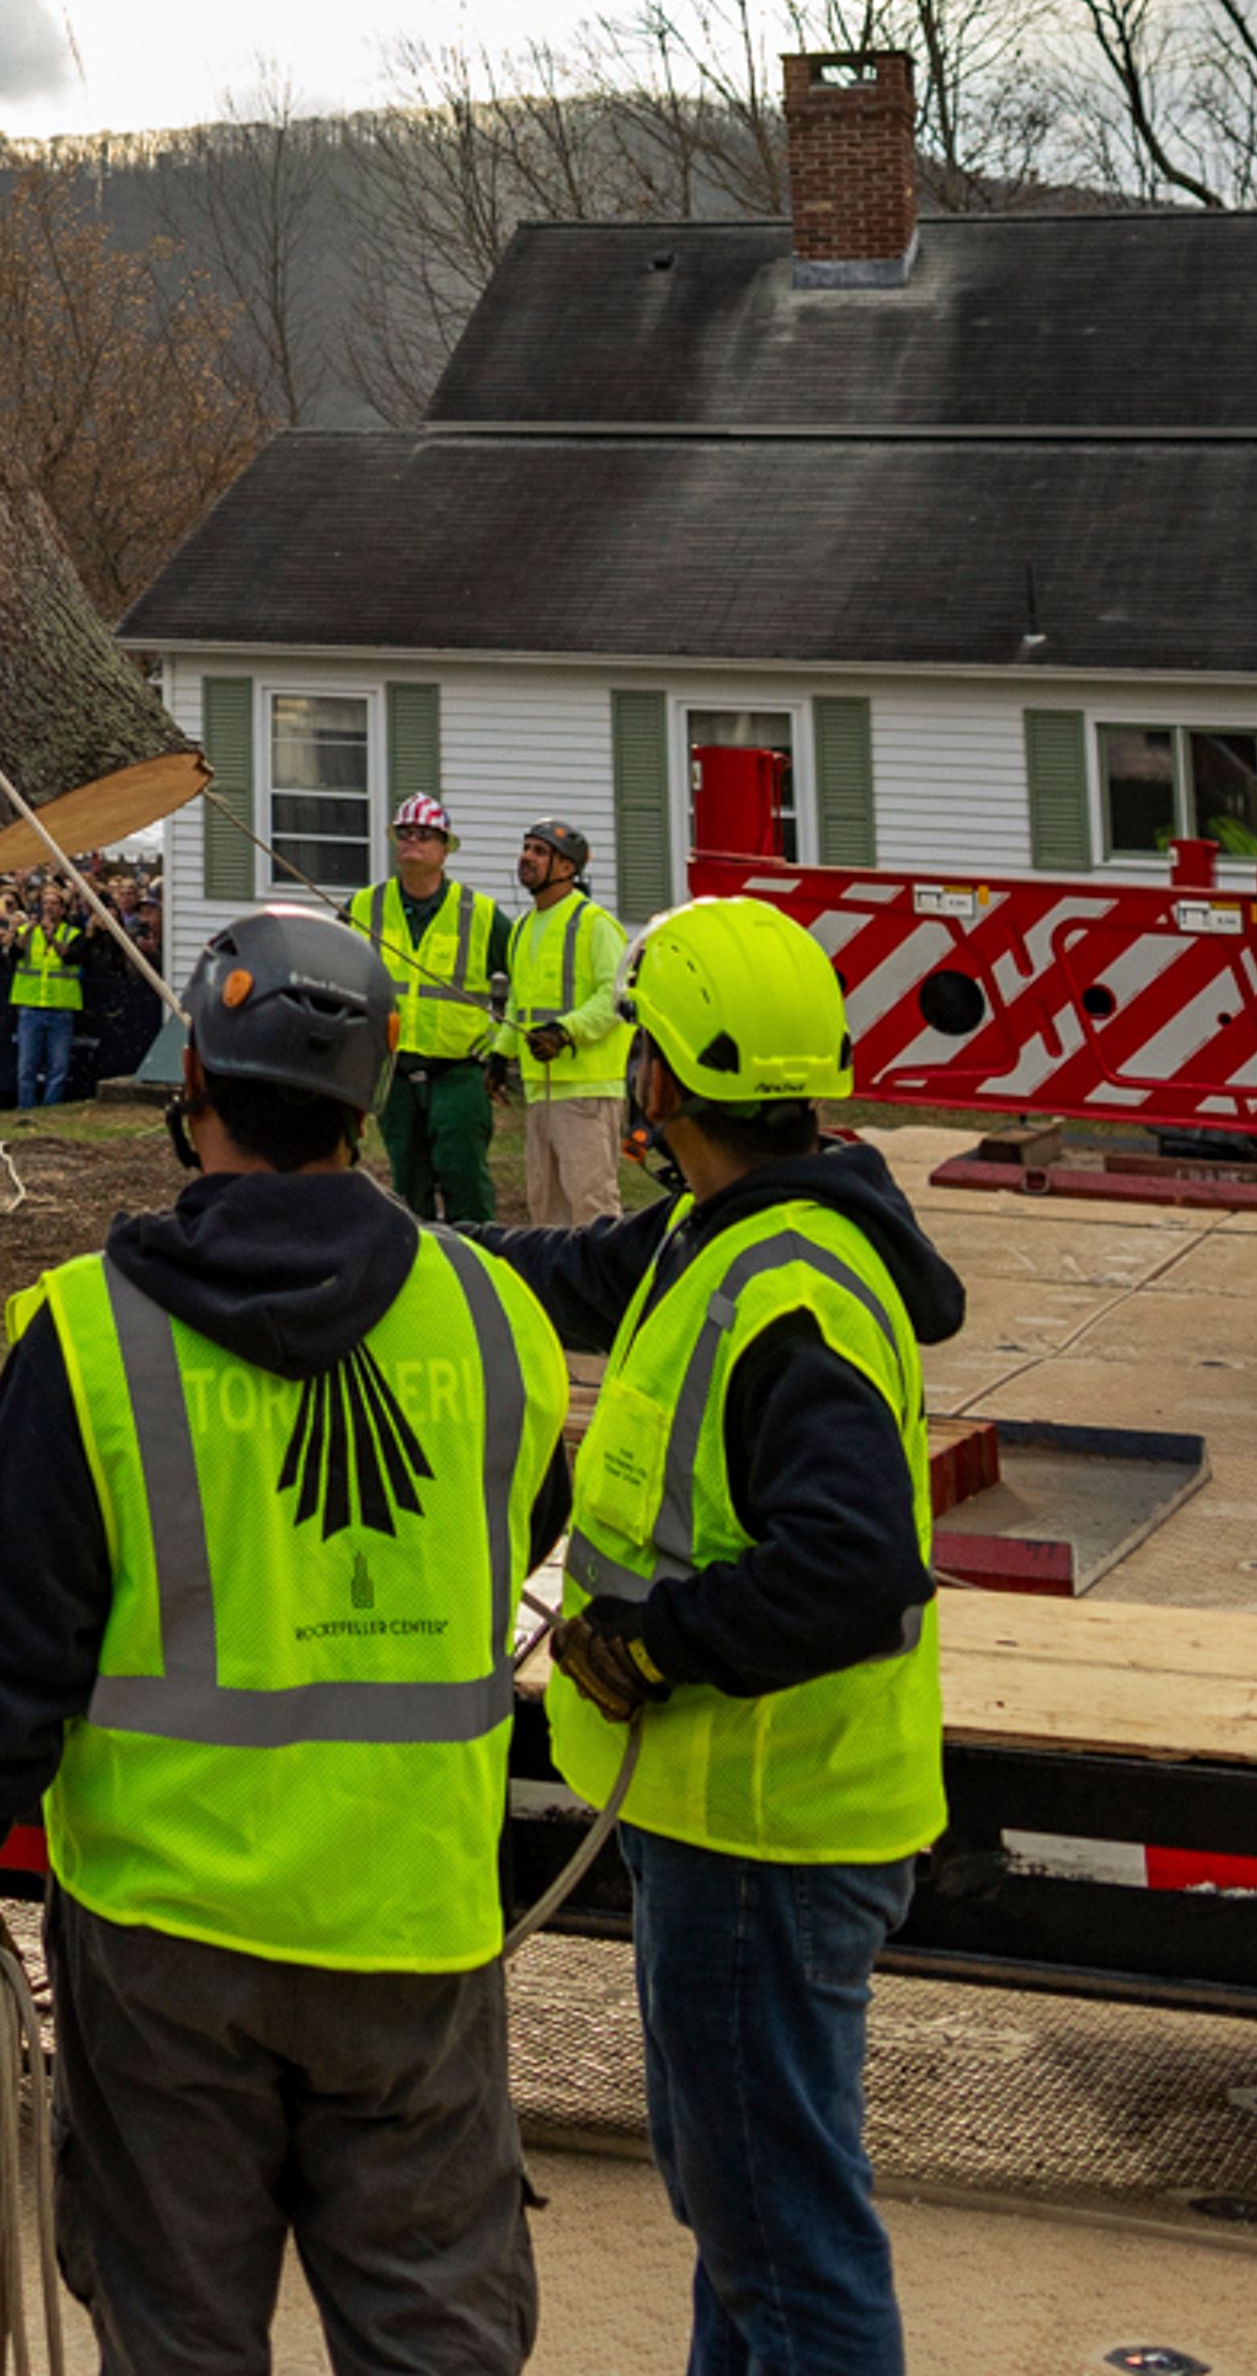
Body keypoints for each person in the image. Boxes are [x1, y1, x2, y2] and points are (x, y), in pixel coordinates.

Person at [0, 902, 566, 2376]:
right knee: (438, 2338)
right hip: (415, 1936)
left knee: (178, 2337)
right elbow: (506, 1553)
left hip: (167, 1953)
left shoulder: (89, 1337)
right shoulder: (493, 1319)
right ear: (377, 1090)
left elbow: (6, 1654)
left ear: (190, 1078)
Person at [490, 896, 963, 2376]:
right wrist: (389, 1241)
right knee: (740, 2221)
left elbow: (856, 1568)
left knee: (785, 2245)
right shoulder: (730, 1227)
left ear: (663, 1081)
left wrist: (657, 1638)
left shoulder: (791, 1295)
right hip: (732, 1819)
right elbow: (574, 1273)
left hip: (767, 1832)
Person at [348, 796, 507, 1225]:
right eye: (405, 834)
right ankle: (420, 1269)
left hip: (458, 1072)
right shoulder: (364, 907)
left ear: (445, 848)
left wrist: (500, 1049)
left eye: (424, 836)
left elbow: (521, 982)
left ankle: (479, 1266)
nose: (412, 843)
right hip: (395, 1072)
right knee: (408, 1184)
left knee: (465, 1181)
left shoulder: (483, 914)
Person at [501, 820, 629, 1226]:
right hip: (541, 1089)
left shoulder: (594, 924)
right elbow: (519, 1003)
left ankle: (606, 1288)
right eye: (526, 848)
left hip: (588, 1091)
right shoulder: (522, 927)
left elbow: (617, 996)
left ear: (567, 869)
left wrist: (565, 1031)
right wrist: (498, 1054)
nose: (527, 858)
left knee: (591, 1206)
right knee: (545, 1210)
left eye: (540, 852)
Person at [9, 889, 88, 1111]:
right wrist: (28, 932)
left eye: (54, 903)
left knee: (58, 1067)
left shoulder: (73, 934)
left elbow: (75, 957)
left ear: (63, 909)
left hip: (60, 1008)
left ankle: (51, 1110)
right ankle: (25, 1107)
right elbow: (13, 954)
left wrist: (52, 938)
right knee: (26, 1066)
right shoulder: (27, 931)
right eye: (45, 903)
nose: (49, 907)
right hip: (31, 1006)